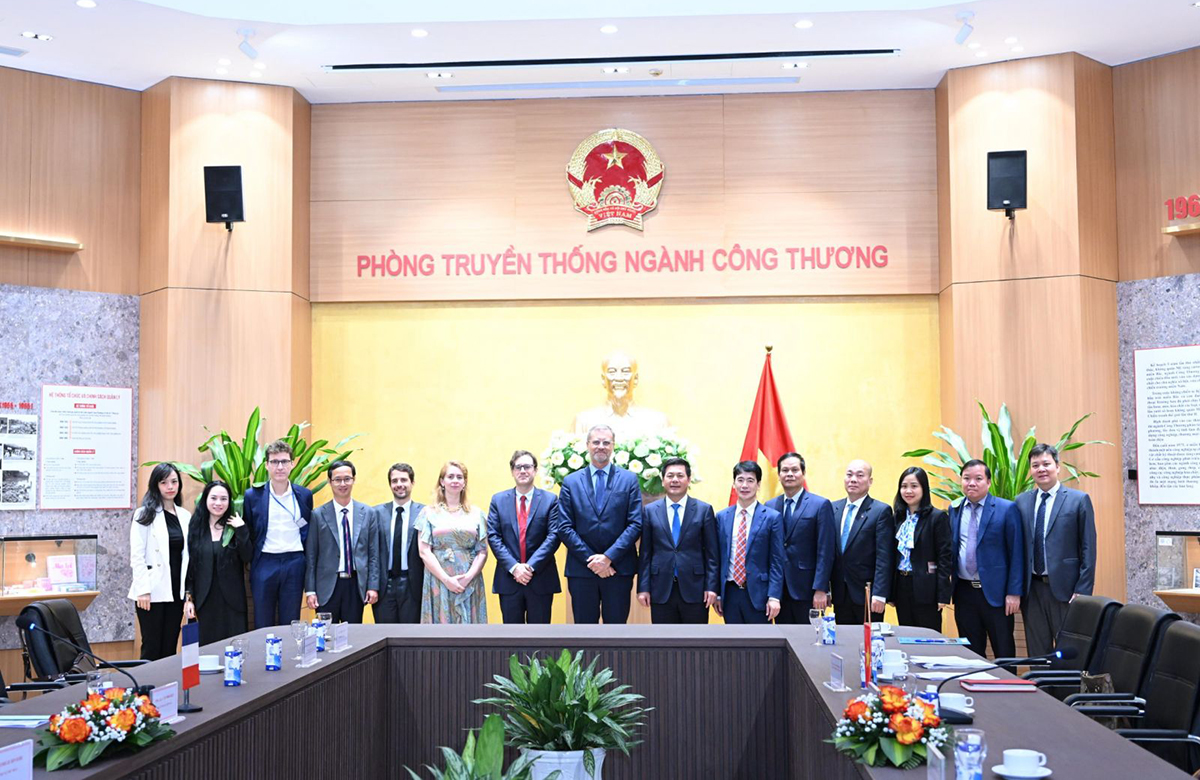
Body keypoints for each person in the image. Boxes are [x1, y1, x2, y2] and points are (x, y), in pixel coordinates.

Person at [553, 425, 644, 624]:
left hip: (618, 568)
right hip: (582, 570)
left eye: (606, 442)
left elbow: (635, 523)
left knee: (617, 631)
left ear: (613, 446)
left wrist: (608, 557)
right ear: (587, 445)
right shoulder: (571, 482)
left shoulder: (629, 480)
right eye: (596, 442)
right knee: (584, 633)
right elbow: (564, 527)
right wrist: (593, 561)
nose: (601, 446)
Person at [1017, 443, 1098, 656]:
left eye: (1046, 464)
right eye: (1035, 465)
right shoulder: (1021, 502)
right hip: (1032, 590)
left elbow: (1088, 548)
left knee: (1068, 651)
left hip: (1067, 590)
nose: (1041, 469)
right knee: (1037, 653)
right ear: (1030, 470)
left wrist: (1082, 591)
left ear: (1057, 466)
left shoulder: (1078, 500)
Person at [950, 459, 1024, 658]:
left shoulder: (1006, 509)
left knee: (1004, 651)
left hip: (996, 594)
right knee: (970, 653)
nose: (971, 483)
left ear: (989, 482)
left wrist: (1014, 592)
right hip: (964, 592)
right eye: (966, 478)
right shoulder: (954, 509)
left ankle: (1007, 681)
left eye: (978, 478)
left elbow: (1016, 553)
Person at [637, 457, 719, 623]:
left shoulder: (703, 510)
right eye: (670, 476)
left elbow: (712, 554)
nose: (675, 480)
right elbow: (645, 553)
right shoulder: (650, 511)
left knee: (695, 638)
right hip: (660, 588)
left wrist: (712, 587)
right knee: (663, 638)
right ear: (662, 480)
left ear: (688, 480)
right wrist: (643, 588)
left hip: (696, 589)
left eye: (680, 476)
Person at [243, 439, 313, 628]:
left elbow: (306, 528)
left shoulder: (304, 495)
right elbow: (250, 531)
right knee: (262, 619)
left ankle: (289, 649)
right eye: (274, 462)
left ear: (292, 464)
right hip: (265, 562)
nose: (280, 467)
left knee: (290, 620)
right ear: (266, 465)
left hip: (294, 562)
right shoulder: (253, 496)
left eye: (284, 461)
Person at [486, 450, 560, 624]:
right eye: (518, 467)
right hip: (509, 579)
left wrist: (530, 567)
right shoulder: (498, 500)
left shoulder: (550, 500)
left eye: (527, 466)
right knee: (512, 636)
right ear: (512, 471)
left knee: (540, 636)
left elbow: (554, 536)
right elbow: (494, 536)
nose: (523, 471)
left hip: (540, 579)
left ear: (535, 470)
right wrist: (515, 568)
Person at [303, 460, 379, 624]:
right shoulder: (318, 514)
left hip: (355, 585)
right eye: (337, 480)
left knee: (353, 634)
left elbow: (373, 554)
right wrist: (310, 590)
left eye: (347, 479)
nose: (342, 484)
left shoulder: (368, 513)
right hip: (326, 586)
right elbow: (311, 555)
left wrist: (373, 586)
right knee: (325, 634)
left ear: (354, 480)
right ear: (329, 482)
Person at [128, 462, 190, 660]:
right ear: (156, 485)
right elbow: (137, 555)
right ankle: (145, 682)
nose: (170, 487)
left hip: (176, 591)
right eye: (164, 482)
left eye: (174, 482)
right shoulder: (144, 514)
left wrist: (188, 594)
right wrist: (143, 590)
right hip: (152, 590)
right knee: (152, 647)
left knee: (170, 647)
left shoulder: (185, 516)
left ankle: (167, 682)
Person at [765, 452, 836, 624]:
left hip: (808, 590)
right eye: (785, 470)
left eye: (795, 470)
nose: (789, 474)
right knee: (782, 636)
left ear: (803, 473)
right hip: (778, 591)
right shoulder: (770, 506)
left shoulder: (820, 505)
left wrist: (821, 588)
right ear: (779, 475)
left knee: (808, 637)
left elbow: (825, 550)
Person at [417, 461, 489, 624]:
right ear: (442, 481)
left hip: (469, 580)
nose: (455, 480)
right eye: (450, 476)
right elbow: (424, 551)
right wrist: (446, 580)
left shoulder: (477, 513)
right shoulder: (428, 513)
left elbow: (483, 551)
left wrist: (468, 577)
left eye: (459, 477)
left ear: (464, 482)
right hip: (438, 580)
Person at [183, 480, 252, 645]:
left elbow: (247, 556)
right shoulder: (195, 526)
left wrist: (241, 529)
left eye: (223, 499)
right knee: (206, 649)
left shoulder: (235, 525)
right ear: (205, 499)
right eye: (213, 498)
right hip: (204, 601)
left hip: (232, 601)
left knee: (234, 649)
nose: (218, 503)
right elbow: (190, 565)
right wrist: (189, 598)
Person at [716, 461, 784, 624]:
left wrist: (774, 596)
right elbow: (717, 558)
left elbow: (777, 560)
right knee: (733, 639)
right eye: (740, 480)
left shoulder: (772, 517)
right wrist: (718, 593)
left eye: (750, 480)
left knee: (761, 640)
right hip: (730, 594)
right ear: (733, 484)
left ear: (758, 485)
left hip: (760, 595)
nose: (744, 485)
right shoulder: (722, 517)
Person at [829, 460, 894, 624]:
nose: (853, 479)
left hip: (868, 594)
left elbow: (884, 557)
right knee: (843, 638)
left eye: (859, 475)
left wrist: (880, 593)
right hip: (840, 593)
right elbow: (828, 553)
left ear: (870, 481)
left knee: (869, 639)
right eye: (849, 475)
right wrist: (826, 588)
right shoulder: (832, 508)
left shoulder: (880, 511)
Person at [889, 467, 953, 631]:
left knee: (928, 636)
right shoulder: (897, 518)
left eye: (914, 486)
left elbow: (945, 558)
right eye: (904, 486)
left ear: (924, 488)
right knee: (905, 634)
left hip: (927, 588)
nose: (908, 491)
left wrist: (943, 595)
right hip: (901, 586)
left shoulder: (937, 517)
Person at [572, 351, 670, 440]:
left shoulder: (657, 421)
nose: (619, 378)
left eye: (626, 371)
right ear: (603, 379)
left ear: (635, 379)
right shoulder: (584, 421)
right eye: (612, 372)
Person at [372, 463, 426, 624]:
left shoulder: (424, 512)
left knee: (410, 634)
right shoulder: (376, 513)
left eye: (404, 480)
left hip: (413, 585)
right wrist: (372, 585)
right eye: (394, 481)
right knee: (384, 632)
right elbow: (371, 552)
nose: (399, 484)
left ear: (412, 483)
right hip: (384, 585)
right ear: (390, 484)